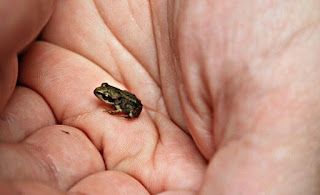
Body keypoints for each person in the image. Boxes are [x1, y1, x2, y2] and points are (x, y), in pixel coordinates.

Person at [1, 1, 319, 194]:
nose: (99, 96)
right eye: (101, 94)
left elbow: (127, 104)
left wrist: (119, 113)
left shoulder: (114, 102)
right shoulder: (106, 94)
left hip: (132, 104)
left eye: (101, 94)